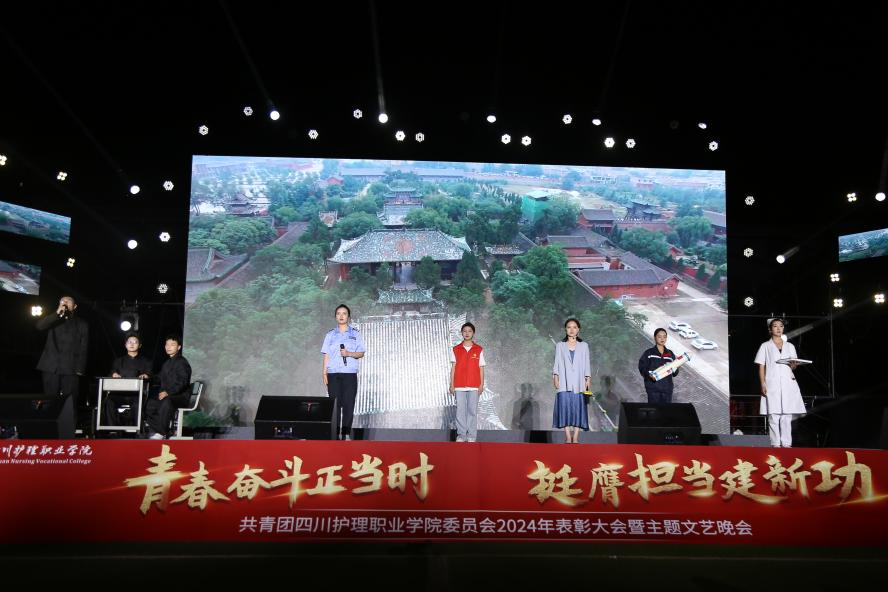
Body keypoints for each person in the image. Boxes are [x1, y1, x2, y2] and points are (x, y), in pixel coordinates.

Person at [36, 295, 89, 434]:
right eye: (62, 301)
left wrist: (80, 369)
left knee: (70, 401)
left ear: (74, 306)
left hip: (71, 367)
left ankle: (69, 431)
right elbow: (40, 326)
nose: (65, 302)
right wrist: (56, 314)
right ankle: (48, 430)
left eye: (68, 301)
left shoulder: (81, 323)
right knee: (49, 399)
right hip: (51, 366)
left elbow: (84, 347)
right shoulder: (54, 319)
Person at [755, 318, 805, 447]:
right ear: (770, 329)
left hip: (788, 382)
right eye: (775, 326)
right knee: (773, 414)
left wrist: (794, 364)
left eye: (781, 326)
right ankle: (775, 444)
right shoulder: (765, 346)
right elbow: (761, 366)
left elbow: (793, 366)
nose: (778, 328)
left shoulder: (790, 346)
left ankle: (786, 444)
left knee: (787, 414)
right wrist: (763, 383)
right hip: (772, 382)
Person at [321, 304, 365, 440]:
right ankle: (335, 434)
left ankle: (345, 433)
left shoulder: (355, 334)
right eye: (338, 313)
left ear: (348, 316)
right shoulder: (330, 335)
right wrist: (324, 372)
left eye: (344, 313)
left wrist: (348, 353)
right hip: (333, 374)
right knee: (335, 406)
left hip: (349, 374)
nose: (341, 316)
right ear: (335, 317)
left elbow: (361, 353)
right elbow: (326, 354)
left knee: (348, 405)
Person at [144, 335, 192, 440]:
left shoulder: (182, 362)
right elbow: (159, 378)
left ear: (179, 347)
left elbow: (183, 382)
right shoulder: (167, 363)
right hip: (168, 395)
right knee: (149, 405)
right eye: (167, 344)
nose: (169, 347)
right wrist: (148, 377)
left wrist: (168, 392)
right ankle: (164, 430)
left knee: (167, 401)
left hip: (180, 397)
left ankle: (161, 432)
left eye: (172, 344)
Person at [552, 318, 591, 444]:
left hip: (579, 382)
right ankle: (568, 437)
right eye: (569, 327)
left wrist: (588, 379)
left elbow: (587, 364)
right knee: (564, 407)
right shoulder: (560, 345)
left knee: (579, 408)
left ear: (578, 329)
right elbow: (557, 362)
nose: (572, 330)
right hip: (564, 381)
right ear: (565, 329)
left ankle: (576, 437)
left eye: (574, 327)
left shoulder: (584, 346)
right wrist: (555, 377)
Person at [103, 333, 152, 427]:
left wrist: (146, 375)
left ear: (140, 345)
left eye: (135, 342)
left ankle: (137, 430)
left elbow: (150, 374)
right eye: (129, 342)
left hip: (136, 395)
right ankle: (112, 429)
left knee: (138, 403)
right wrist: (113, 375)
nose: (132, 344)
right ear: (125, 344)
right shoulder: (118, 361)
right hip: (119, 393)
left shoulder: (146, 362)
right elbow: (111, 374)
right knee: (109, 401)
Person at [449, 322, 486, 442]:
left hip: (474, 385)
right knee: (460, 411)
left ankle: (471, 435)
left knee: (472, 411)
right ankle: (461, 435)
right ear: (461, 333)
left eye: (469, 331)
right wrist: (451, 384)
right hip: (459, 385)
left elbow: (481, 368)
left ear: (473, 333)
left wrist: (481, 385)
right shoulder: (456, 349)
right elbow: (453, 368)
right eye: (464, 331)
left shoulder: (478, 349)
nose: (467, 333)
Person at [638, 328, 680, 404]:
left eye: (664, 336)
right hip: (653, 390)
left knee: (666, 411)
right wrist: (650, 375)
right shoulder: (649, 353)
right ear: (655, 338)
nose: (662, 339)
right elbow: (642, 367)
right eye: (659, 336)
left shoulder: (670, 354)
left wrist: (676, 368)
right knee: (654, 410)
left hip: (667, 390)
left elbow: (675, 373)